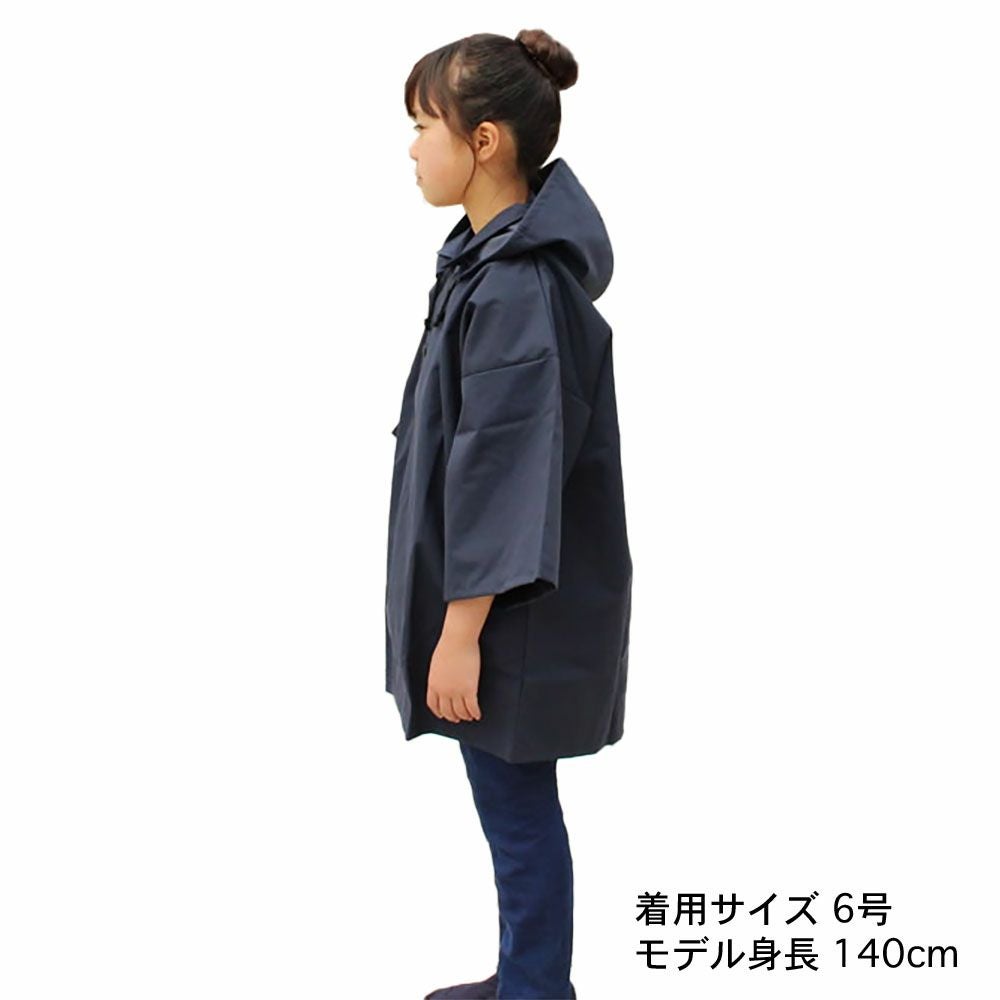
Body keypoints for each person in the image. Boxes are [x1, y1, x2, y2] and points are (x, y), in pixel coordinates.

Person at [386, 28, 633, 1000]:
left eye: (423, 125)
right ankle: (525, 976)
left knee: (520, 811)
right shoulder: (487, 266)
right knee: (511, 804)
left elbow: (504, 471)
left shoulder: (518, 285)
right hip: (499, 605)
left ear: (483, 141)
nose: (412, 148)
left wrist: (460, 633)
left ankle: (536, 990)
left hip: (506, 614)